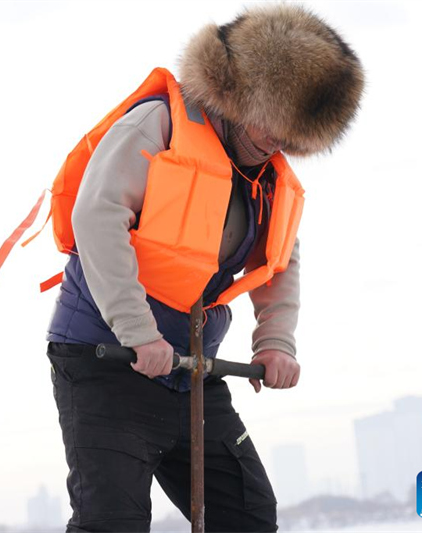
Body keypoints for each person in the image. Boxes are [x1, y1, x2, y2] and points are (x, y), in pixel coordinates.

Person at [45, 4, 364, 532]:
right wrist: (137, 331)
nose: (274, 139)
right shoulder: (160, 124)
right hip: (107, 358)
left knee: (247, 515)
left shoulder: (264, 175)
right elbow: (97, 215)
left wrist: (276, 342)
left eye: (289, 132)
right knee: (112, 522)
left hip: (189, 370)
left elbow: (280, 257)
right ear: (237, 94)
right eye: (269, 120)